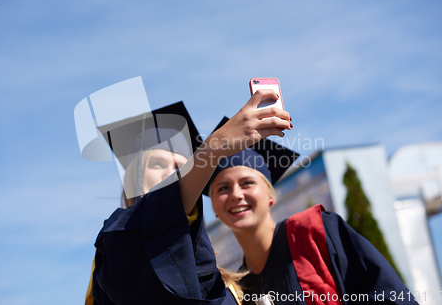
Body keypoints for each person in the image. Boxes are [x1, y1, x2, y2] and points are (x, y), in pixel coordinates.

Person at [81, 91, 293, 305]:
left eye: (182, 168)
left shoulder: (227, 283)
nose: (172, 175)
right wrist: (214, 147)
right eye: (157, 164)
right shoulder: (113, 250)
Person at [206, 118, 419, 305]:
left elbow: (390, 296)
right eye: (223, 188)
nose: (235, 194)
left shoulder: (315, 233)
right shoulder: (237, 294)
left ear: (271, 196)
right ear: (215, 207)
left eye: (247, 183)